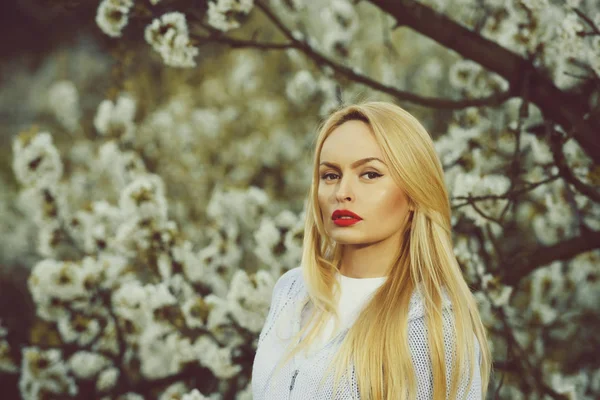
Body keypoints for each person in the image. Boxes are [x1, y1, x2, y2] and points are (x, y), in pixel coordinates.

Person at [251, 101, 492, 400]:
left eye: (369, 174)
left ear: (415, 192)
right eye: (330, 175)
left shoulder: (434, 327)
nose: (342, 192)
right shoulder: (291, 292)